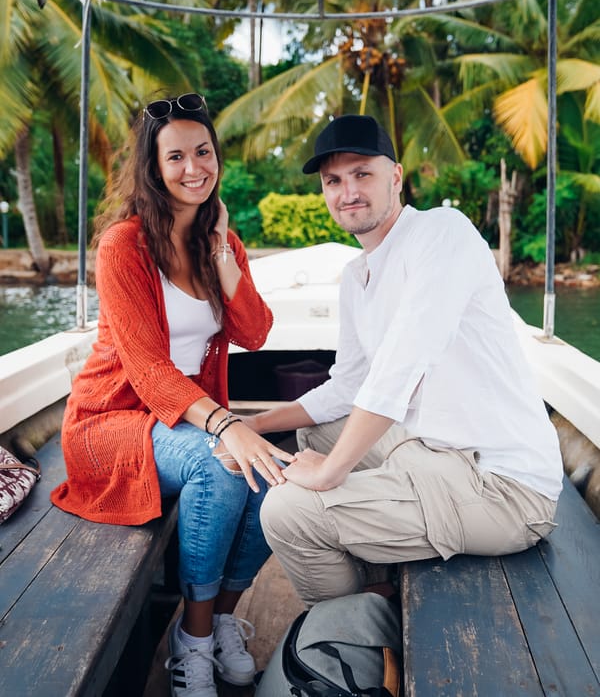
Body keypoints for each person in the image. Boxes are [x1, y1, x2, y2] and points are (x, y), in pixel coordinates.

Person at [245, 113, 564, 608]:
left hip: (500, 484)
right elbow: (348, 387)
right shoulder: (358, 276)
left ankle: (351, 642)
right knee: (316, 433)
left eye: (362, 174)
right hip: (429, 449)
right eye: (334, 180)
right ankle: (370, 582)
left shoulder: (442, 232)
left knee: (287, 512)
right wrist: (256, 423)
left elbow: (401, 365)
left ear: (395, 177)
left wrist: (330, 474)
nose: (348, 191)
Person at [50, 92, 294, 697]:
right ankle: (194, 637)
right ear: (154, 168)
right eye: (176, 156)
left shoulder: (220, 241)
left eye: (203, 152)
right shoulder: (124, 246)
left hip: (183, 422)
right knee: (225, 469)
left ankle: (220, 621)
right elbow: (148, 368)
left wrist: (221, 251)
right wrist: (223, 426)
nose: (194, 168)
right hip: (110, 424)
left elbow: (255, 332)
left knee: (275, 477)